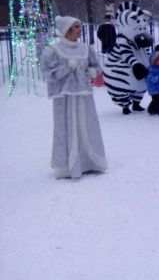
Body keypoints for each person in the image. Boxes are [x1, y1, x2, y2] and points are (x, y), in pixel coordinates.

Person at [40, 16, 108, 179]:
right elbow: (49, 74)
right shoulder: (53, 51)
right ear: (67, 30)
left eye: (79, 26)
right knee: (68, 126)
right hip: (65, 98)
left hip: (84, 96)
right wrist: (66, 68)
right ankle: (67, 165)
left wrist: (93, 72)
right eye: (76, 26)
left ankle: (90, 161)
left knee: (86, 126)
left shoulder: (85, 49)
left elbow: (96, 67)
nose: (80, 29)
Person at [145, 51, 159, 116]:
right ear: (154, 60)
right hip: (154, 88)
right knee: (157, 100)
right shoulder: (151, 69)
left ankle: (153, 109)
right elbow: (149, 78)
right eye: (158, 60)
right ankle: (154, 110)